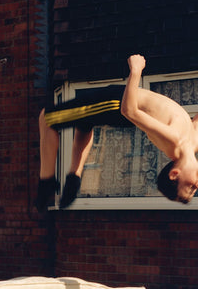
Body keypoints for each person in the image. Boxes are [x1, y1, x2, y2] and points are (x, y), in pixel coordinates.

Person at [36, 54, 198, 210]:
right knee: (85, 121)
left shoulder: (174, 140)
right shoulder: (193, 143)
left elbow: (129, 111)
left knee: (47, 119)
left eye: (190, 188)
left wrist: (136, 70)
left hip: (116, 104)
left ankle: (46, 181)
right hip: (117, 102)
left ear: (174, 174)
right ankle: (74, 177)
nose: (196, 185)